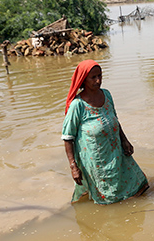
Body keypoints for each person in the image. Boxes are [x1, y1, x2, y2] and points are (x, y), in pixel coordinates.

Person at [62, 59, 148, 204]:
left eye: (100, 75)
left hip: (116, 150)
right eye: (93, 77)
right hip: (97, 158)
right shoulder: (77, 105)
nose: (98, 80)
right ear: (84, 80)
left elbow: (114, 119)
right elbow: (67, 137)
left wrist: (125, 141)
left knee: (140, 185)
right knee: (109, 198)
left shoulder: (106, 95)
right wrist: (73, 166)